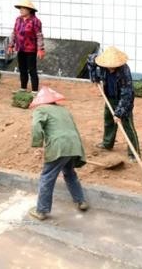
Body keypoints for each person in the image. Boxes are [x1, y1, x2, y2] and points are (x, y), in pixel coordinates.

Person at [28, 86, 88, 221]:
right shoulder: (64, 110)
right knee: (70, 173)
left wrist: (37, 144)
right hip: (74, 145)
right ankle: (81, 201)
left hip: (58, 146)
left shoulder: (40, 109)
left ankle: (41, 211)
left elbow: (36, 126)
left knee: (47, 177)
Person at [87, 46, 141, 162]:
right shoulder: (100, 62)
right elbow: (90, 61)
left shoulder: (124, 71)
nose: (110, 68)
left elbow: (127, 94)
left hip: (123, 99)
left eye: (112, 66)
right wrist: (94, 77)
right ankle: (107, 143)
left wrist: (119, 113)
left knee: (128, 126)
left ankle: (134, 152)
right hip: (109, 96)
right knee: (108, 120)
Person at [7, 0, 45, 94]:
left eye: (23, 8)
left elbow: (39, 35)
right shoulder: (18, 20)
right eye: (20, 8)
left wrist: (40, 49)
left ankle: (35, 91)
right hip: (20, 48)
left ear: (29, 10)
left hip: (31, 50)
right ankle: (23, 88)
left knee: (32, 70)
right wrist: (11, 45)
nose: (21, 10)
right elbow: (14, 33)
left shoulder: (35, 21)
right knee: (22, 69)